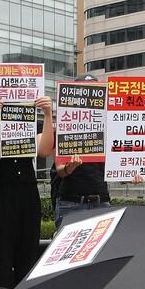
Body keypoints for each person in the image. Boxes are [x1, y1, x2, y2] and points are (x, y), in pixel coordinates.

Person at [0, 89, 54, 289]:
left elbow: (45, 150)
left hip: (27, 190)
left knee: (28, 246)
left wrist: (48, 114)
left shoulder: (32, 123)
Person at [53, 73, 110, 227]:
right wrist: (69, 167)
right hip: (71, 202)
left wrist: (131, 174)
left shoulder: (109, 128)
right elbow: (60, 170)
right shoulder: (64, 127)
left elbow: (117, 167)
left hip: (101, 202)